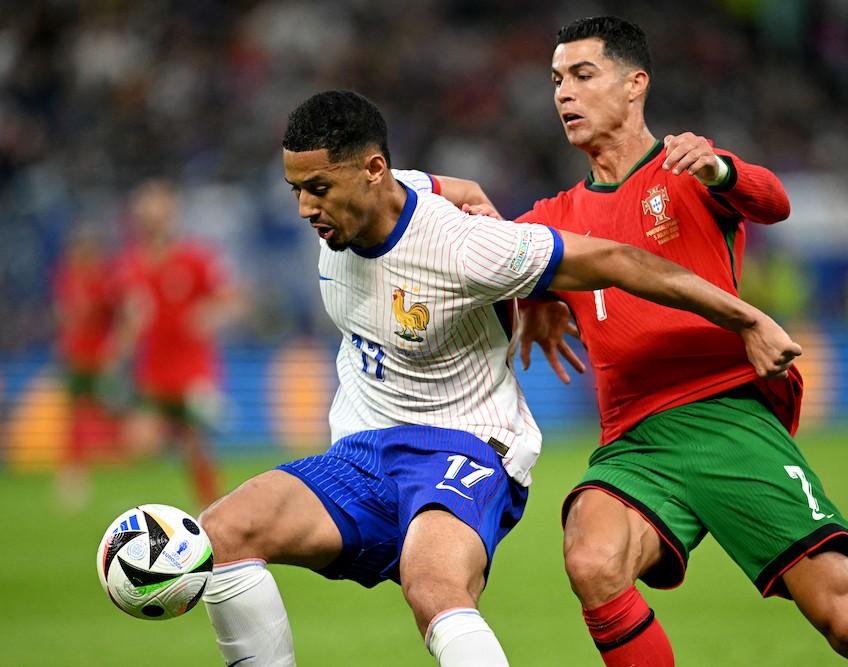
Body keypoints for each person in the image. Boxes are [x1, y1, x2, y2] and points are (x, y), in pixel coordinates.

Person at [195, 89, 802, 667]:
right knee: (219, 536)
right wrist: (487, 221)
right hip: (365, 448)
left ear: (374, 169)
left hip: (464, 446)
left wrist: (745, 318)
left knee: (432, 588)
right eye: (296, 190)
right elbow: (453, 186)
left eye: (318, 188)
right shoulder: (369, 201)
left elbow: (618, 261)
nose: (305, 208)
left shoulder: (464, 248)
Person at [470, 15, 848, 667]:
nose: (563, 94)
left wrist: (722, 169)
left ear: (636, 84)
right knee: (590, 556)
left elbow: (773, 201)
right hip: (634, 440)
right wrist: (536, 292)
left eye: (582, 75)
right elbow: (485, 254)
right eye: (555, 80)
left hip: (727, 417)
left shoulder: (686, 167)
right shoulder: (554, 217)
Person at [114, 178, 243, 509]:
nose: (150, 212)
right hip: (154, 372)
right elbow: (131, 320)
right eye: (144, 205)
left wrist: (209, 314)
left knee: (196, 446)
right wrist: (116, 352)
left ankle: (213, 508)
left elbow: (233, 300)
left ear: (170, 210)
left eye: (157, 204)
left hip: (192, 370)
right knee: (137, 444)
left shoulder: (196, 258)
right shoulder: (130, 265)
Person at [50, 223, 124, 509]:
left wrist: (113, 351)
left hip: (100, 358)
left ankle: (118, 459)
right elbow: (65, 313)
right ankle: (74, 471)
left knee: (109, 410)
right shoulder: (67, 275)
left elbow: (113, 314)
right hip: (76, 356)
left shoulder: (103, 278)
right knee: (75, 414)